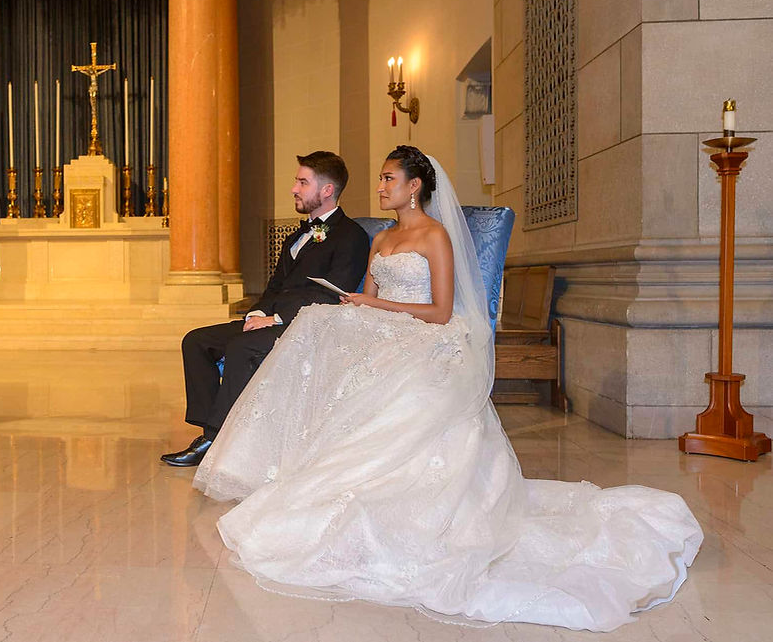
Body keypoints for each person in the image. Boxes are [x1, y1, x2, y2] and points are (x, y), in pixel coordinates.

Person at [193, 145, 703, 632]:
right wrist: (350, 305)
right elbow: (366, 297)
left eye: (389, 178)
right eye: (381, 178)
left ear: (414, 186)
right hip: (379, 325)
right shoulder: (380, 240)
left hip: (424, 334)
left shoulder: (434, 236)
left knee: (366, 364)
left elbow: (439, 312)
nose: (381, 186)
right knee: (314, 327)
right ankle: (281, 453)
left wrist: (376, 309)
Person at [161, 151, 371, 467]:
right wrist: (257, 314)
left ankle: (217, 440)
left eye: (302, 182)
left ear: (327, 190)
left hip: (309, 326)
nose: (294, 189)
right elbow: (274, 288)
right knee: (196, 341)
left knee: (242, 347)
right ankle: (208, 431)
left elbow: (333, 295)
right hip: (272, 320)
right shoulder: (296, 236)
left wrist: (276, 318)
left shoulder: (351, 235)